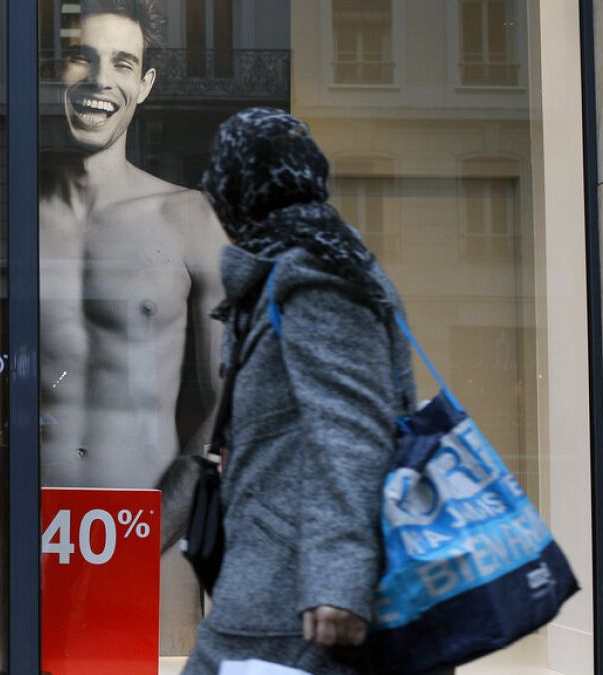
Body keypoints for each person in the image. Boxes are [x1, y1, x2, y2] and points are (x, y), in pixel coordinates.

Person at [0, 0, 225, 651]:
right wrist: (10, 538)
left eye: (123, 62)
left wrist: (147, 533)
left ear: (144, 84)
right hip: (20, 544)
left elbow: (228, 404)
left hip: (156, 548)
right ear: (55, 71)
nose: (99, 79)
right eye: (82, 57)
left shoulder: (191, 219)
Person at [182, 108, 418, 675]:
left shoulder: (315, 276)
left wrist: (338, 579)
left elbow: (352, 429)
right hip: (280, 573)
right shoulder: (294, 267)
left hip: (295, 588)